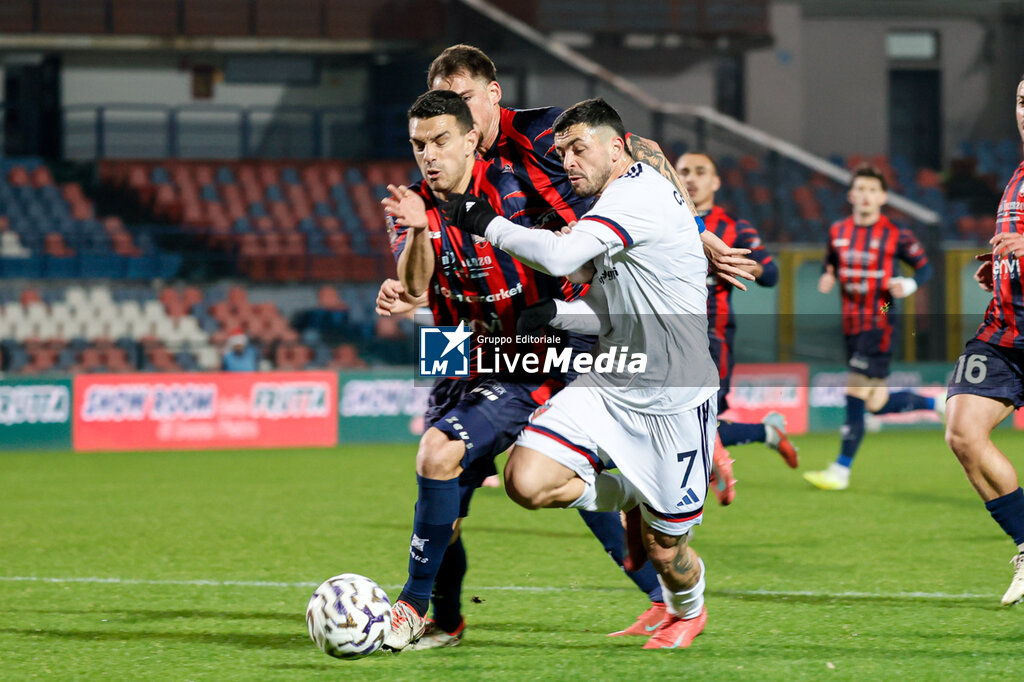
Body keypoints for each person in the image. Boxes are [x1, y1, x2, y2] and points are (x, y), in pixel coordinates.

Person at [397, 44, 751, 643]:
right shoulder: (422, 193)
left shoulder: (544, 138)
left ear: (491, 98)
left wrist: (695, 229)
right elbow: (418, 291)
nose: (448, 118)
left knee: (450, 457)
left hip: (572, 322)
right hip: (484, 336)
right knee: (457, 477)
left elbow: (641, 152)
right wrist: (406, 283)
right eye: (433, 120)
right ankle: (441, 617)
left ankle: (666, 580)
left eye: (462, 100)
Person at [379, 89, 605, 651]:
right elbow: (414, 285)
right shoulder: (410, 203)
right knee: (445, 502)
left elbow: (566, 251)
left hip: (526, 354)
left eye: (440, 140)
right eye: (418, 145)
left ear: (470, 139)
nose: (428, 155)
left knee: (439, 454)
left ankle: (410, 606)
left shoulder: (511, 188)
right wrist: (417, 233)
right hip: (456, 352)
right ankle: (446, 621)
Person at [803, 165, 939, 491]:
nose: (866, 195)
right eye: (860, 189)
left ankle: (841, 469)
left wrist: (908, 284)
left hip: (881, 317)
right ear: (851, 195)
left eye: (872, 190)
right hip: (851, 322)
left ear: (882, 197)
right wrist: (827, 276)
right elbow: (830, 263)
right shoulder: (838, 231)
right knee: (876, 403)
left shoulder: (896, 233)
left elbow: (925, 268)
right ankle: (939, 404)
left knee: (854, 391)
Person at [945, 74, 1024, 605]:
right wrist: (1001, 270)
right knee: (962, 431)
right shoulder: (1018, 174)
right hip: (1004, 334)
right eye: (1021, 100)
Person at [675, 151, 797, 472]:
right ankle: (766, 432)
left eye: (700, 171)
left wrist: (742, 264)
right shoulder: (661, 219)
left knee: (698, 422)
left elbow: (770, 274)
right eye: (683, 171)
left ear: (716, 182)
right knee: (676, 423)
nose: (690, 178)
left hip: (711, 337)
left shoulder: (732, 226)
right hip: (663, 335)